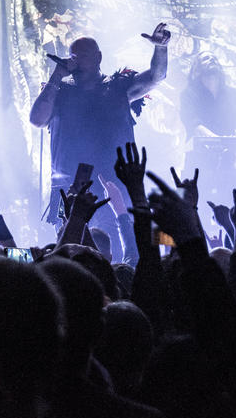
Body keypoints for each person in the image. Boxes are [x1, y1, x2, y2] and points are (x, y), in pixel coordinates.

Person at [29, 24, 171, 250]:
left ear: (99, 58)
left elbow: (156, 76)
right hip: (69, 186)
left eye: (83, 56)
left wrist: (160, 49)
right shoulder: (59, 91)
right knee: (70, 247)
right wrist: (57, 76)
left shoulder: (118, 87)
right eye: (73, 56)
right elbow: (37, 120)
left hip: (114, 183)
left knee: (120, 247)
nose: (77, 61)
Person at [180, 51, 236, 139]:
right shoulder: (189, 95)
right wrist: (217, 140)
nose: (211, 60)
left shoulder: (234, 95)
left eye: (214, 59)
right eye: (206, 58)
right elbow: (193, 123)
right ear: (196, 70)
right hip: (201, 146)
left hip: (230, 145)